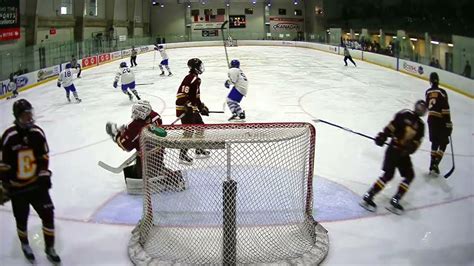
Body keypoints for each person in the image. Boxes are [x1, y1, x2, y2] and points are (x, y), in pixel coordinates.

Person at [0, 99, 61, 263]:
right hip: (17, 189)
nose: (29, 118)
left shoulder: (37, 133)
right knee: (21, 219)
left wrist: (43, 173)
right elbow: (3, 164)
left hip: (37, 186)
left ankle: (50, 247)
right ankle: (25, 244)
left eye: (30, 114)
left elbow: (43, 156)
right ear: (17, 117)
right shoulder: (9, 137)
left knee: (48, 214)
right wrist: (4, 184)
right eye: (25, 115)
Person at [360, 100, 427, 215]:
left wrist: (383, 136)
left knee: (395, 175)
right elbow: (393, 128)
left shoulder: (409, 117)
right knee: (402, 175)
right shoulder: (417, 124)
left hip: (396, 151)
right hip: (398, 152)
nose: (421, 110)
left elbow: (392, 128)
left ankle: (370, 194)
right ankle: (393, 198)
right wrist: (383, 137)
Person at [105, 100, 185, 193]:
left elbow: (126, 146)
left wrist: (117, 136)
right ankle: (159, 170)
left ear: (140, 114)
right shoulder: (155, 116)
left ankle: (173, 179)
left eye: (135, 113)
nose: (134, 115)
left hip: (146, 156)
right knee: (156, 166)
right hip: (159, 151)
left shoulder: (134, 127)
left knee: (143, 177)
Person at [175, 58, 210, 165]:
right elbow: (180, 96)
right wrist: (187, 105)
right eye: (199, 66)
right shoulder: (190, 78)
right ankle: (182, 155)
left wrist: (201, 107)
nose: (201, 68)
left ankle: (198, 149)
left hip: (191, 109)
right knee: (188, 133)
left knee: (200, 127)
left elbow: (195, 98)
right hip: (184, 109)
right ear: (195, 68)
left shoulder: (196, 79)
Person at [425, 72, 453, 175]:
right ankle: (436, 162)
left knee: (434, 142)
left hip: (431, 119)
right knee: (444, 142)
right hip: (440, 119)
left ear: (430, 81)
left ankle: (431, 164)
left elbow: (428, 106)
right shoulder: (442, 92)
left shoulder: (427, 92)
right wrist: (448, 122)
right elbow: (445, 108)